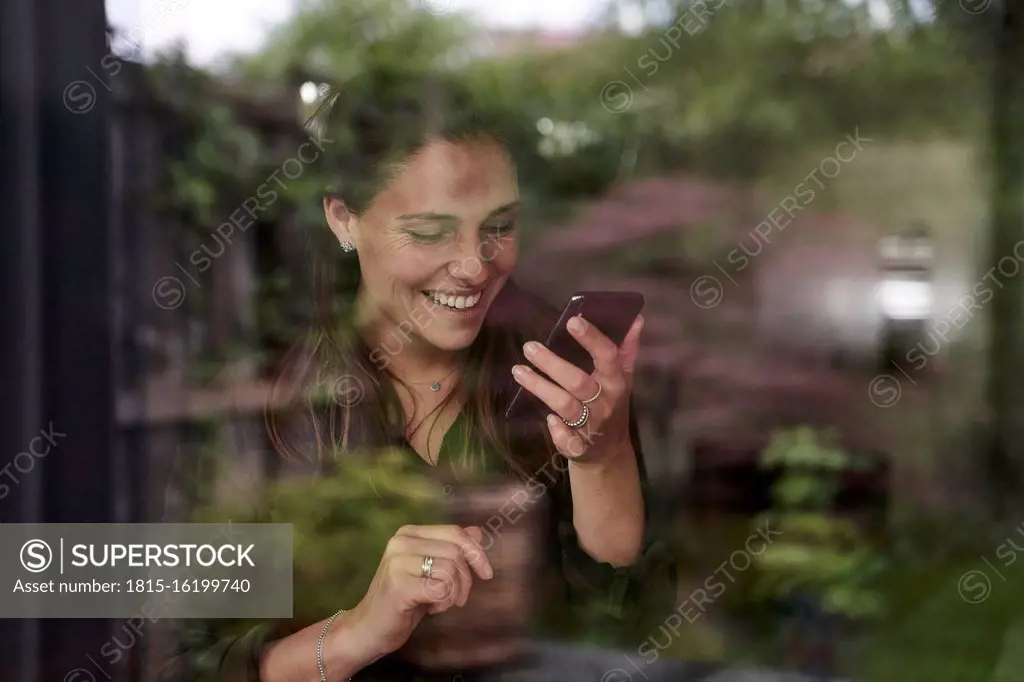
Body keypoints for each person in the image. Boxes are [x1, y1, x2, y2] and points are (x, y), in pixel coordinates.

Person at [161, 67, 675, 682]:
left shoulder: (556, 376)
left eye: (500, 227)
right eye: (430, 231)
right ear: (343, 219)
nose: (474, 267)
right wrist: (353, 635)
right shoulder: (266, 405)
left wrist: (603, 457)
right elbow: (181, 660)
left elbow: (631, 616)